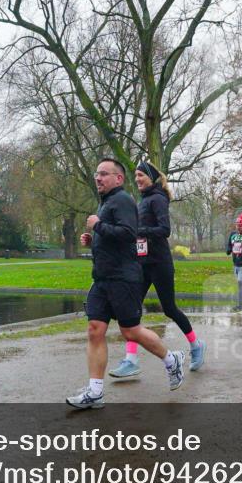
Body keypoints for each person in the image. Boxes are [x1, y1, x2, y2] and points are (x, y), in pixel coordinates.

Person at [66, 159, 186, 409]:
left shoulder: (122, 201)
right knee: (95, 330)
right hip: (102, 278)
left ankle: (171, 359)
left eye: (104, 174)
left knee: (130, 331)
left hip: (123, 278)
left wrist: (98, 225)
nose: (98, 178)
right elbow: (114, 236)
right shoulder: (107, 203)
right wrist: (94, 238)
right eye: (96, 173)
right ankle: (95, 392)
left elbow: (129, 234)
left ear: (118, 179)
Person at [110, 161, 205, 379]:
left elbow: (165, 230)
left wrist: (139, 231)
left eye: (141, 175)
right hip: (141, 264)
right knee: (132, 309)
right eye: (135, 176)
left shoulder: (158, 199)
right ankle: (131, 360)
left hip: (160, 263)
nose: (137, 179)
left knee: (169, 308)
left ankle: (196, 344)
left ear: (151, 177)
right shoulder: (141, 201)